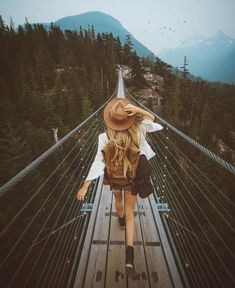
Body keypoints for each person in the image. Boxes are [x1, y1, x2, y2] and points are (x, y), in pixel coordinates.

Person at [76, 98, 163, 278]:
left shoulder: (103, 137)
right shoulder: (139, 130)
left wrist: (86, 185)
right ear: (129, 117)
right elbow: (155, 123)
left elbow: (98, 162)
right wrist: (138, 110)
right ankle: (129, 258)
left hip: (114, 178)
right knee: (132, 212)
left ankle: (120, 220)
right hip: (132, 178)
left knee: (118, 201)